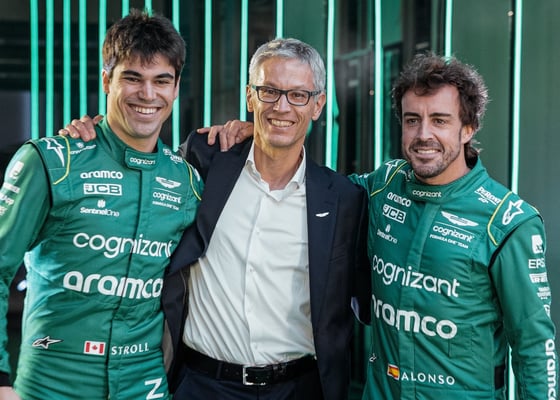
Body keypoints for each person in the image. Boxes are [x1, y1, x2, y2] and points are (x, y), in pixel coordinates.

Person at [194, 52, 559, 399]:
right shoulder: (383, 187)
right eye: (412, 120)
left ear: (468, 128)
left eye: (440, 120)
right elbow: (316, 191)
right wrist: (264, 134)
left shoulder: (507, 222)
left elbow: (535, 347)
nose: (424, 134)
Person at [61, 38, 371, 400]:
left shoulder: (344, 200)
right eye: (269, 91)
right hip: (202, 384)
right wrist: (99, 138)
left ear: (318, 105)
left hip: (299, 389)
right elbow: (140, 174)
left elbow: (364, 300)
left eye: (298, 95)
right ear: (250, 97)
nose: (282, 106)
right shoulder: (205, 161)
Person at [0, 9, 203, 400]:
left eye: (162, 80)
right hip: (51, 383)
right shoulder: (51, 162)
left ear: (176, 88)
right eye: (133, 78)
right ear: (107, 80)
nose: (148, 94)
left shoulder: (188, 182)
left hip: (145, 385)